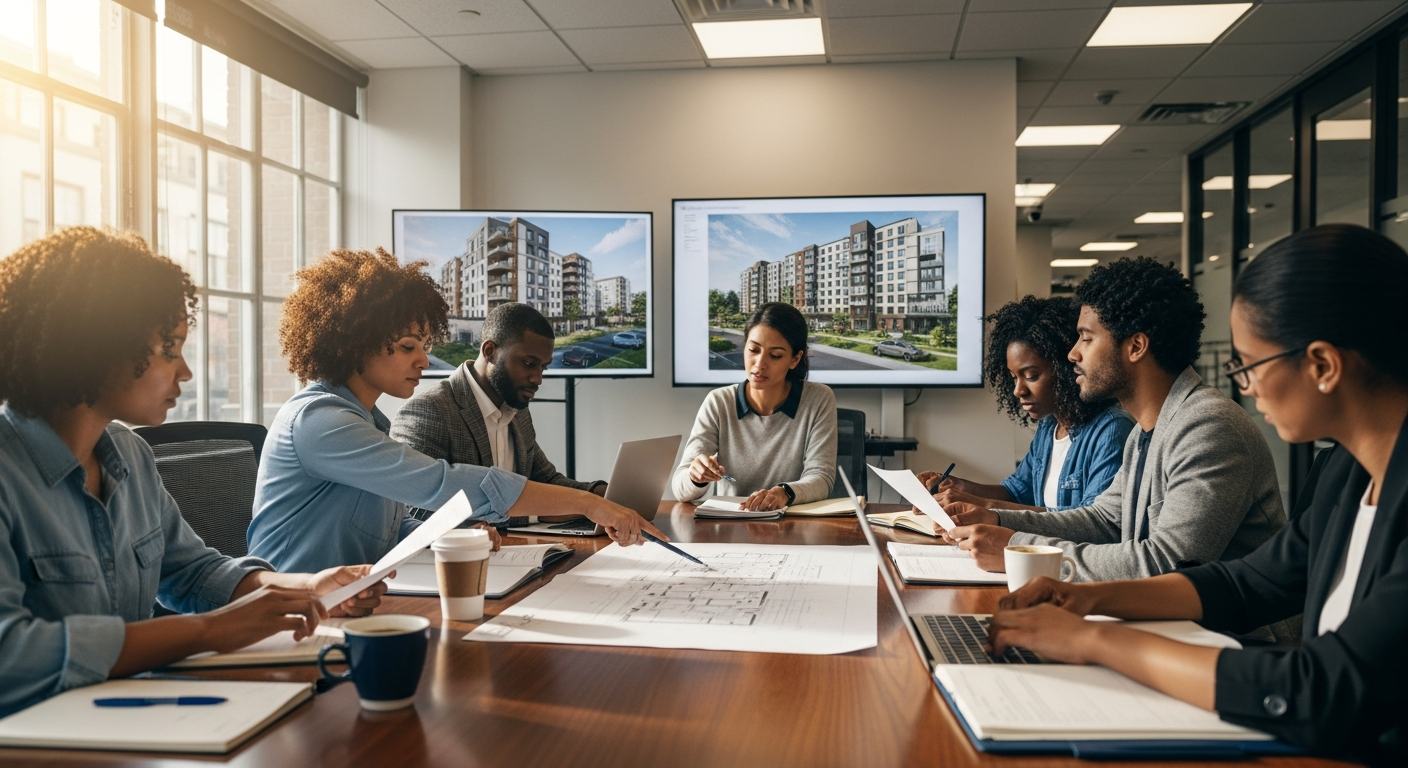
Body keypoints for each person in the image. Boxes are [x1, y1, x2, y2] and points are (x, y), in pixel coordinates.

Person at [987, 225, 1408, 767]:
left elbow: (1322, 686)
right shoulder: (1347, 473)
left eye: (1248, 366)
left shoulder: (1213, 424)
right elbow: (1249, 581)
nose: (1246, 388)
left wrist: (1092, 640)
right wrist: (1087, 599)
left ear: (1323, 365)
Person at [0, 228, 386, 718]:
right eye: (169, 348)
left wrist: (303, 588)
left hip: (131, 718)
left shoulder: (130, 455)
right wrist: (206, 631)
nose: (184, 372)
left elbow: (192, 572)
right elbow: (10, 654)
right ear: (95, 345)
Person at [248, 249, 661, 574]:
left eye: (424, 346)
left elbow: (392, 527)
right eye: (408, 346)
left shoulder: (369, 423)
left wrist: (450, 535)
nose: (423, 361)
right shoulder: (319, 422)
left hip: (352, 603)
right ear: (355, 341)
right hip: (293, 617)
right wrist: (590, 505)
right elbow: (438, 482)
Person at [943, 257, 1286, 582]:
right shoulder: (1145, 432)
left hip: (1231, 625)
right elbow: (1105, 520)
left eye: (1087, 338)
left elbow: (1167, 564)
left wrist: (1019, 551)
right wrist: (997, 519)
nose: (1073, 353)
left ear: (1136, 347)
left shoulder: (1208, 428)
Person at [391, 303, 604, 526]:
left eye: (543, 367)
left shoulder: (517, 410)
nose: (537, 378)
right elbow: (414, 511)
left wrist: (606, 496)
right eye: (529, 363)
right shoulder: (427, 409)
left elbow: (546, 481)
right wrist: (535, 513)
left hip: (518, 547)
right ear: (490, 352)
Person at [917, 295, 1134, 512]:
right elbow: (1017, 491)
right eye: (1014, 377)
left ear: (1066, 369)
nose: (1018, 390)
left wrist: (984, 505)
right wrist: (958, 487)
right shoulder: (1050, 426)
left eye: (1031, 376)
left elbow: (1092, 521)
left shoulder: (1112, 430)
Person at [672, 302, 838, 511]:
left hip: (792, 523)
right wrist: (696, 477)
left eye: (775, 355)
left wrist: (784, 493)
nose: (759, 364)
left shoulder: (818, 399)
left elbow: (821, 476)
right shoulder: (718, 402)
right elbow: (680, 489)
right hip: (733, 523)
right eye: (753, 350)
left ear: (795, 359)